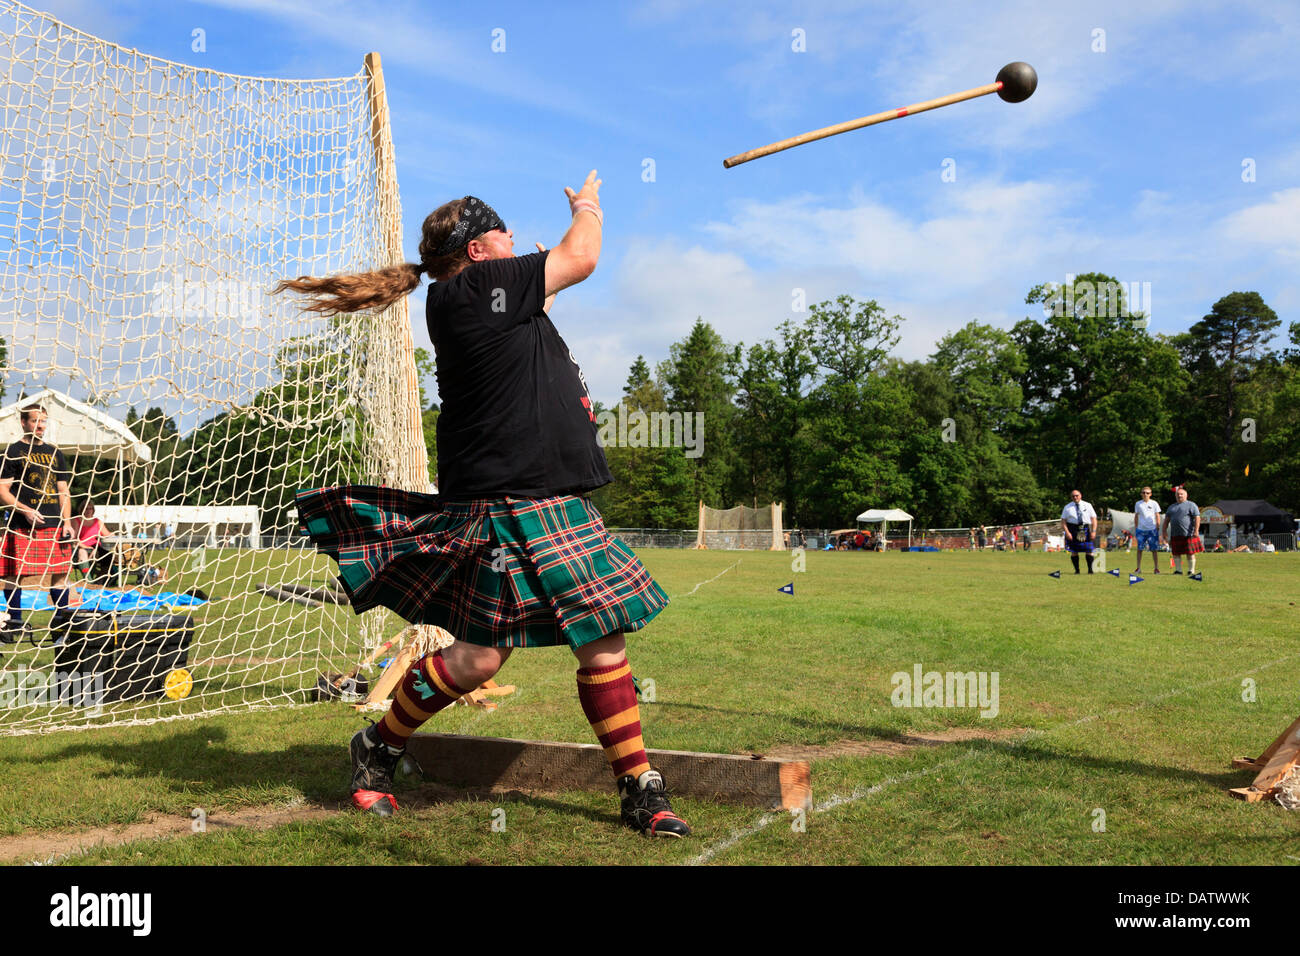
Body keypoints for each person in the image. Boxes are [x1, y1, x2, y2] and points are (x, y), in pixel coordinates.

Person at [279, 173, 690, 838]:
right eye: (502, 233)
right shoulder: (471, 291)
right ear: (477, 251)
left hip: (549, 500)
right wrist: (586, 208)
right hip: (505, 503)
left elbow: (548, 294)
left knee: (601, 643)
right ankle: (379, 747)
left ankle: (639, 786)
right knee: (476, 661)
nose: (512, 241)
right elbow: (583, 255)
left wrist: (541, 280)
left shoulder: (486, 297)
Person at [0, 405, 75, 642]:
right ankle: (13, 625)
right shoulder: (13, 451)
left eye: (43, 421)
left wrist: (68, 522)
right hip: (22, 524)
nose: (40, 426)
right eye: (35, 421)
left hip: (54, 523)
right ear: (23, 423)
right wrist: (25, 510)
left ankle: (60, 628)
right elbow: (2, 490)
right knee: (14, 575)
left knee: (62, 575)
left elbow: (63, 490)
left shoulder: (55, 453)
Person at [1161, 485, 1202, 575]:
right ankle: (1178, 570)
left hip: (1189, 533)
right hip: (1175, 534)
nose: (1179, 496)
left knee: (1190, 553)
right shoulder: (1171, 507)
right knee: (1176, 553)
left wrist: (1196, 530)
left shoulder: (1191, 505)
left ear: (1186, 495)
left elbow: (1197, 518)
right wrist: (1164, 532)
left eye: (1181, 494)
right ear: (1175, 496)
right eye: (1178, 494)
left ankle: (1191, 570)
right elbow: (1166, 521)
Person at [1060, 489, 1098, 574]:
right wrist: (1067, 532)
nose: (1075, 497)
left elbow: (1094, 519)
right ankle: (1077, 570)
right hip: (1072, 529)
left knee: (1089, 550)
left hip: (1086, 528)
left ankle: (1090, 570)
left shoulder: (1088, 505)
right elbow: (1063, 521)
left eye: (1077, 495)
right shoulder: (1067, 507)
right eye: (1073, 496)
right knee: (1074, 551)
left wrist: (1094, 531)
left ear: (1080, 495)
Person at [1132, 486, 1162, 575]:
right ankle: (1138, 568)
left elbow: (1157, 516)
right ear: (1141, 494)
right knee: (1139, 549)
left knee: (1154, 550)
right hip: (1141, 530)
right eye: (1144, 492)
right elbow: (1136, 516)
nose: (1145, 494)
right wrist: (1136, 528)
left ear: (1150, 494)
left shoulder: (1154, 503)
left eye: (1147, 493)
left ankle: (1156, 568)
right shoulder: (1138, 504)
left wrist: (1157, 526)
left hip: (1152, 530)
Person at [70, 499, 104, 572]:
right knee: (82, 552)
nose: (88, 511)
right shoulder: (76, 520)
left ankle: (94, 580)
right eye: (86, 509)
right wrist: (85, 547)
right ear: (82, 510)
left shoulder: (97, 521)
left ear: (93, 510)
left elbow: (107, 534)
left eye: (90, 508)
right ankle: (88, 580)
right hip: (80, 547)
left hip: (96, 547)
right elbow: (74, 539)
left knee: (96, 552)